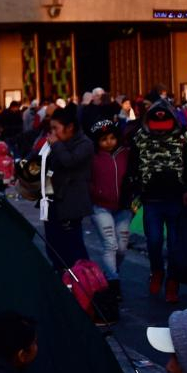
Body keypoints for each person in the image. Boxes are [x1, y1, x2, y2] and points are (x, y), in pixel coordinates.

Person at [128, 102, 187, 303]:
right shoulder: (139, 138)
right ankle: (157, 270)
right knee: (154, 240)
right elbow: (133, 165)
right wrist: (135, 189)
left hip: (176, 199)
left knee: (175, 244)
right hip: (151, 199)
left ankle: (173, 281)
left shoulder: (183, 138)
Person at [39, 106, 93, 270]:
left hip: (71, 203)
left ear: (70, 127)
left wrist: (55, 146)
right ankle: (61, 276)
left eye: (56, 128)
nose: (53, 132)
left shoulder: (85, 144)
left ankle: (83, 281)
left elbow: (70, 161)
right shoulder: (56, 144)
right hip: (50, 198)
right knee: (53, 244)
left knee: (73, 246)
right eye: (51, 128)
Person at [86, 119, 132, 282]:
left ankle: (113, 271)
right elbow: (86, 179)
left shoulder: (126, 153)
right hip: (100, 207)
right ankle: (113, 280)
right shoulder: (92, 157)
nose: (109, 142)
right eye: (104, 139)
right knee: (110, 244)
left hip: (124, 207)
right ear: (97, 141)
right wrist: (93, 193)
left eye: (112, 138)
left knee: (122, 247)